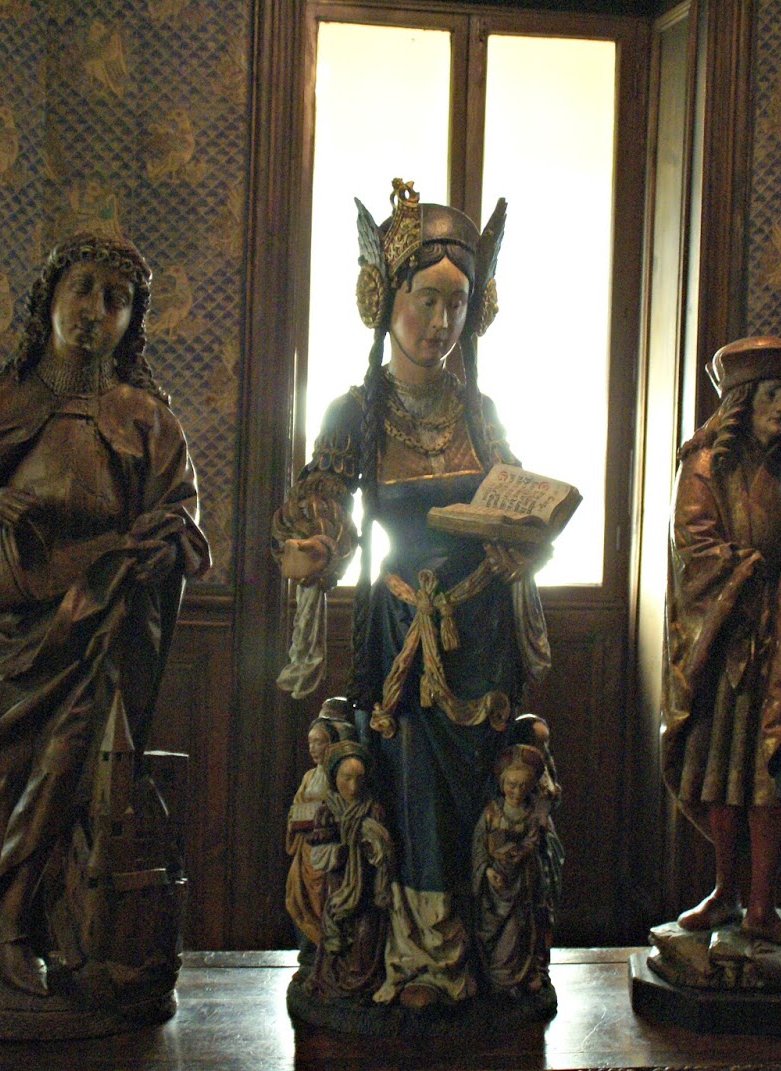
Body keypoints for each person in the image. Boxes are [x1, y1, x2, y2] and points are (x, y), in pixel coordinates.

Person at [272, 179, 551, 1008]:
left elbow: (516, 498)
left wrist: (527, 539)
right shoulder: (355, 413)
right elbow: (321, 502)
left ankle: (489, 947)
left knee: (481, 786)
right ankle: (425, 958)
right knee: (415, 789)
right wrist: (314, 545)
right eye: (426, 299)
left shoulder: (483, 412)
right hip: (402, 629)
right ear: (384, 298)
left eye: (457, 304)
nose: (441, 322)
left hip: (483, 626)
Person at [0, 233, 211, 997]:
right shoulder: (8, 399)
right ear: (49, 297)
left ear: (132, 320)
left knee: (71, 770)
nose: (94, 310)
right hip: (15, 631)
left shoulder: (147, 417)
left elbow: (183, 518)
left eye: (115, 299)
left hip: (101, 626)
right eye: (81, 288)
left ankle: (22, 927)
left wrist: (159, 546)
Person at [662, 335, 781, 954]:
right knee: (723, 771)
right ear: (742, 400)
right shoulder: (705, 468)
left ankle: (762, 905)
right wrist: (754, 574)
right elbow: (695, 549)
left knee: (771, 773)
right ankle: (725, 890)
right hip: (730, 643)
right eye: (773, 395)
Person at [306, 742, 395, 1001]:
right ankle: (333, 981)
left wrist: (373, 848)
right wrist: (339, 853)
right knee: (337, 933)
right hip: (338, 884)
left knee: (366, 936)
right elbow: (318, 854)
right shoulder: (328, 811)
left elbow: (385, 849)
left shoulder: (373, 809)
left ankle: (362, 982)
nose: (353, 787)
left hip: (367, 887)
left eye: (359, 779)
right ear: (335, 777)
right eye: (346, 778)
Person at [472, 744, 556, 995]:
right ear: (502, 784)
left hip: (522, 880)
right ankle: (497, 976)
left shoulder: (531, 813)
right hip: (495, 883)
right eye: (511, 785)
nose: (516, 791)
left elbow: (533, 840)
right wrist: (487, 871)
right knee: (494, 929)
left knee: (519, 927)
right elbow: (479, 845)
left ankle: (520, 974)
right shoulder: (491, 812)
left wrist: (523, 852)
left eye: (522, 786)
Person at [286, 700, 357, 948]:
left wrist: (326, 816)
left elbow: (346, 808)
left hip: (328, 849)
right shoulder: (309, 777)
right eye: (310, 742)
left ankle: (325, 948)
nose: (313, 748)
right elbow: (296, 808)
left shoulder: (340, 775)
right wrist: (296, 819)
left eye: (319, 742)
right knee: (298, 900)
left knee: (325, 900)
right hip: (305, 849)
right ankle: (309, 950)